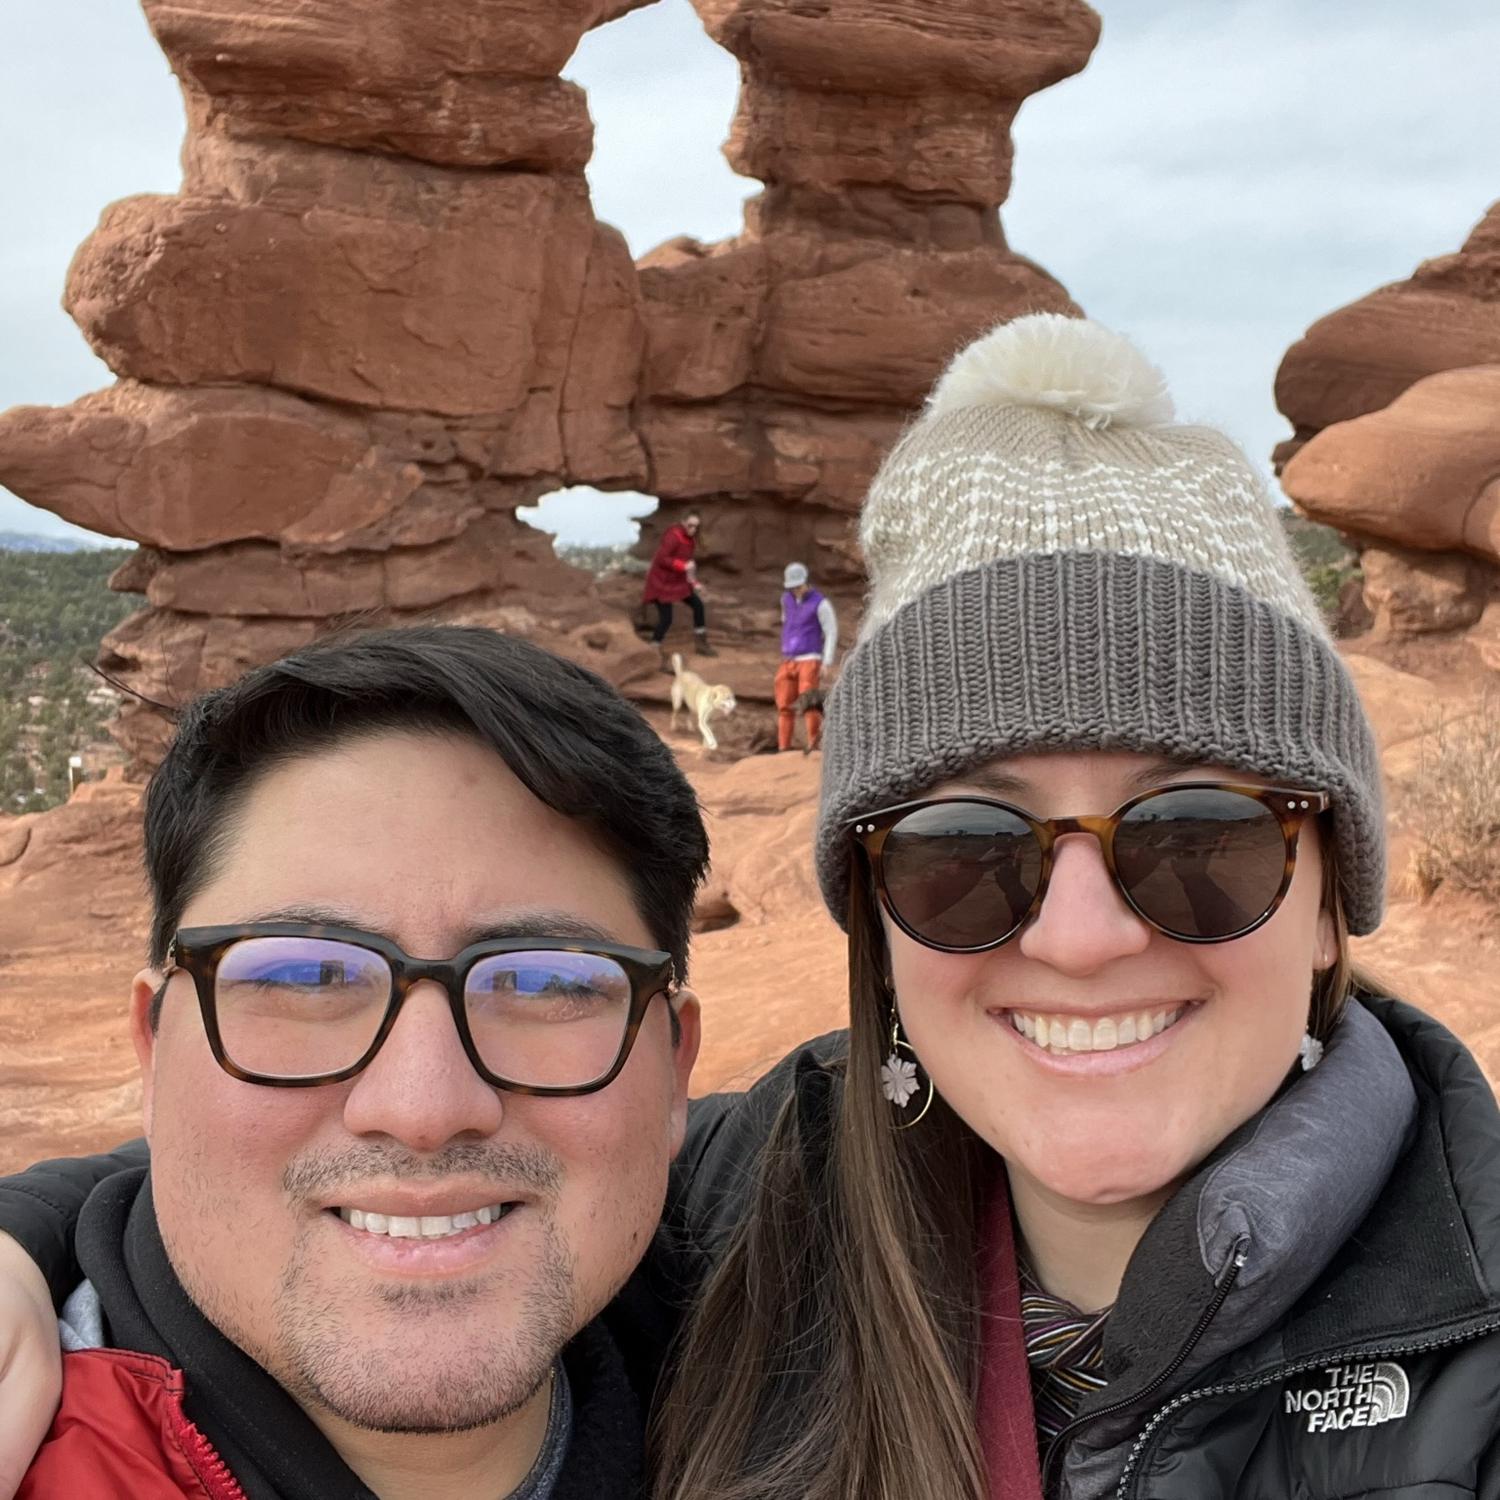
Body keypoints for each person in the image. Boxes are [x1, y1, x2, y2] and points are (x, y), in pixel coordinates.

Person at [5, 317, 1500, 1500]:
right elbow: (358, 1152)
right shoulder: (756, 1204)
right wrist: (27, 1237)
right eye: (964, 853)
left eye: (1201, 841)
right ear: (877, 913)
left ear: (1328, 903)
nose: (1085, 931)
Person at [0, 625, 709, 1500]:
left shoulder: (793, 1357)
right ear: (155, 1050)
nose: (422, 1105)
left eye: (541, 982)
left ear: (676, 1070)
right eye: (306, 975)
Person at [773, 562, 837, 753]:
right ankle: (783, 747)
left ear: (805, 583)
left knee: (809, 703)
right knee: (784, 703)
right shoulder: (786, 599)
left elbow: (831, 631)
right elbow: (787, 622)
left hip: (810, 657)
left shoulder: (820, 602)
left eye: (798, 587)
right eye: (792, 587)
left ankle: (814, 745)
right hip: (789, 658)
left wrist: (827, 660)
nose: (795, 591)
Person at [642, 512, 715, 668]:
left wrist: (695, 584)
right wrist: (682, 566)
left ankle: (701, 643)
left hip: (678, 583)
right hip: (661, 583)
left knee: (698, 605)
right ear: (683, 522)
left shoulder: (690, 541)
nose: (693, 529)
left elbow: (689, 566)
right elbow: (663, 558)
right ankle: (653, 650)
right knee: (666, 618)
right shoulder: (673, 536)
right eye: (690, 525)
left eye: (696, 526)